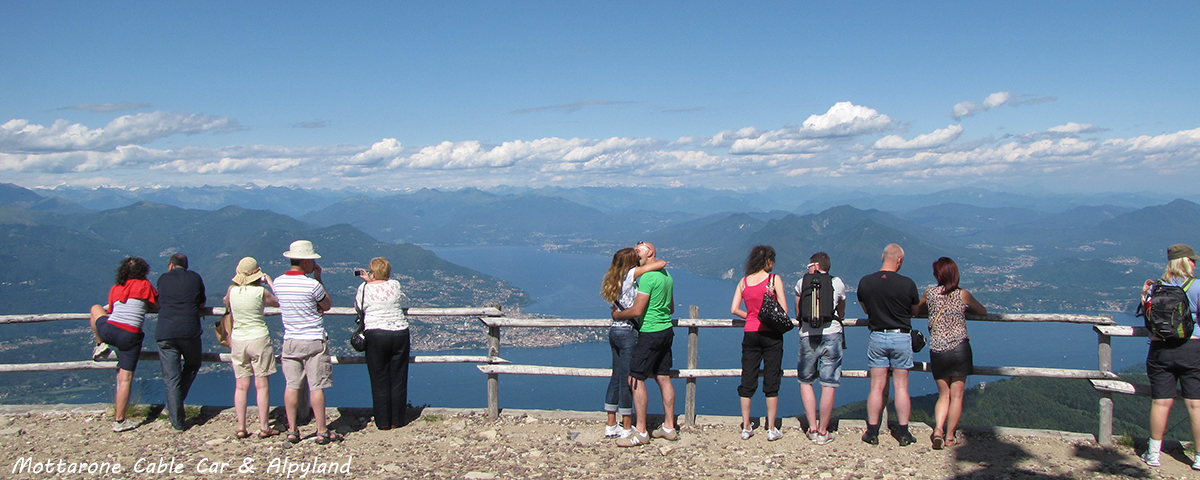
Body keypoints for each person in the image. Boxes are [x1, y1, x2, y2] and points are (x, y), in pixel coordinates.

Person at [1139, 244, 1200, 470]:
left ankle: (1153, 454)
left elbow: (1148, 318)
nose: (1195, 263)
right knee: (1196, 405)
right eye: (1193, 260)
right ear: (1185, 262)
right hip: (1192, 350)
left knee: (1161, 402)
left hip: (1160, 350)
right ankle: (1199, 457)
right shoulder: (1197, 287)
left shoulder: (1157, 287)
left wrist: (1144, 294)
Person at [274, 240, 341, 444]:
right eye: (311, 260)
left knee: (292, 385)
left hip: (291, 340)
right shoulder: (312, 285)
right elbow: (326, 305)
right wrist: (319, 279)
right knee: (316, 386)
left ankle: (292, 430)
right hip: (313, 339)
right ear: (304, 262)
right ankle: (321, 430)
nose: (313, 264)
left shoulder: (277, 283)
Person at [612, 241, 678, 447]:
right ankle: (669, 427)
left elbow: (637, 310)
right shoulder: (667, 276)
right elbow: (672, 308)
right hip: (666, 330)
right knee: (664, 377)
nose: (635, 252)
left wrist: (618, 315)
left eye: (638, 249)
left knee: (635, 379)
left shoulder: (648, 277)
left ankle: (640, 432)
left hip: (650, 332)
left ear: (649, 252)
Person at [916, 257, 986, 450]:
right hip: (960, 349)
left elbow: (915, 309)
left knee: (943, 395)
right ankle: (950, 436)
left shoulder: (929, 294)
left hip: (938, 350)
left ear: (938, 275)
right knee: (957, 396)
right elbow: (982, 311)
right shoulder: (962, 294)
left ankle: (937, 429)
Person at [857, 243, 920, 446]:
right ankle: (903, 433)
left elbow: (867, 310)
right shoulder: (908, 284)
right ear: (899, 260)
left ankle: (872, 432)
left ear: (882, 257)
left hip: (877, 336)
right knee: (901, 386)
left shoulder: (866, 282)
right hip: (901, 336)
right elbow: (915, 311)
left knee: (876, 386)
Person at [599, 247, 665, 438]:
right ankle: (627, 426)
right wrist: (648, 256)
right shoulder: (630, 274)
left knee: (615, 376)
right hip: (628, 332)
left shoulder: (614, 277)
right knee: (628, 380)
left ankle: (611, 424)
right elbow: (661, 264)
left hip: (615, 331)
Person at [89, 257, 159, 433]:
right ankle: (119, 421)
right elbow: (156, 304)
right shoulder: (145, 286)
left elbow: (110, 311)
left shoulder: (116, 288)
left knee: (95, 309)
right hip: (131, 336)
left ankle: (100, 344)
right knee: (125, 380)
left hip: (110, 331)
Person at [730, 245, 788, 441]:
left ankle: (746, 426)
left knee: (748, 378)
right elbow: (784, 311)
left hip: (751, 333)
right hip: (771, 335)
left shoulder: (743, 282)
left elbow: (734, 309)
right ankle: (771, 428)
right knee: (772, 379)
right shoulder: (773, 279)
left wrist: (751, 316)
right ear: (768, 261)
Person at [223, 256, 280, 439]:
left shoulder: (232, 291)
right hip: (259, 338)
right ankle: (264, 426)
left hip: (238, 339)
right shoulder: (260, 292)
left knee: (241, 386)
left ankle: (241, 427)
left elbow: (226, 302)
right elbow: (278, 301)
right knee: (261, 385)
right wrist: (270, 283)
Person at [795, 252, 847, 445]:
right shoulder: (838, 283)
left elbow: (798, 310)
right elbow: (841, 309)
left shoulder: (802, 283)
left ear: (814, 266)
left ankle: (812, 428)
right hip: (832, 333)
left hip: (808, 335)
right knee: (829, 383)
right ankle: (824, 432)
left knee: (806, 381)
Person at [355, 257, 411, 430]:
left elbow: (359, 307)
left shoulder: (364, 288)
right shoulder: (395, 285)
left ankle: (383, 422)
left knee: (379, 379)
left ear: (371, 272)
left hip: (376, 334)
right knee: (398, 377)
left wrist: (367, 282)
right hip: (400, 333)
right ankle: (397, 420)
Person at [154, 253, 206, 431]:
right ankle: (173, 407)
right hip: (189, 331)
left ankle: (176, 422)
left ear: (170, 265)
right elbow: (201, 303)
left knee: (171, 378)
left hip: (165, 332)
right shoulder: (195, 278)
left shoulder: (163, 279)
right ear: (186, 266)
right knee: (193, 364)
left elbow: (159, 301)